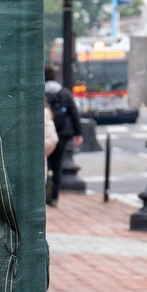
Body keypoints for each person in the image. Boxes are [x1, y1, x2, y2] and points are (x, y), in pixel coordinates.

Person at [44, 64, 83, 207]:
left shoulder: (41, 93)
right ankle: (54, 197)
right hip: (62, 134)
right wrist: (78, 133)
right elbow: (74, 114)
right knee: (57, 166)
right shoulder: (65, 93)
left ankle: (43, 195)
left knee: (44, 166)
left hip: (45, 134)